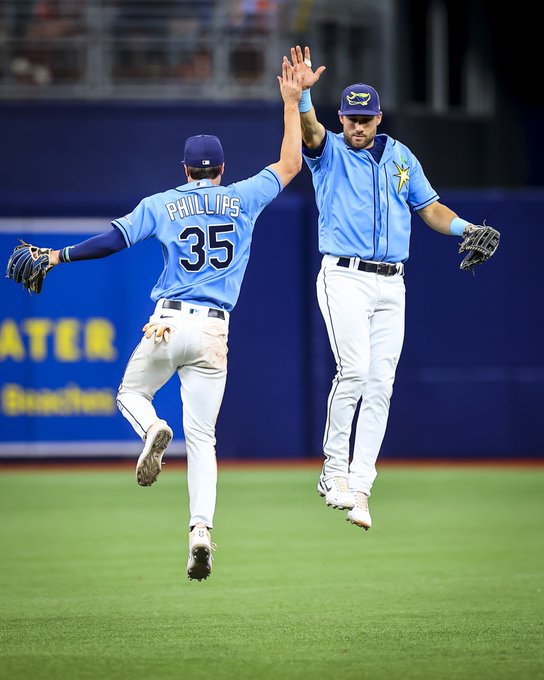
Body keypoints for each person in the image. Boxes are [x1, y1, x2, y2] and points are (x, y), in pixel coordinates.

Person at [31, 60, 302, 580]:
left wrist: (57, 257)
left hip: (167, 323)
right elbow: (290, 163)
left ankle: (154, 428)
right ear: (220, 170)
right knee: (204, 438)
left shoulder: (161, 203)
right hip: (214, 331)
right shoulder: (243, 197)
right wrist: (291, 101)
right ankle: (200, 531)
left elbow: (112, 240)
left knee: (131, 395)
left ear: (185, 170)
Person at [286, 45, 490, 531]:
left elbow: (430, 208)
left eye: (365, 118)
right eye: (350, 118)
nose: (357, 126)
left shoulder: (401, 156)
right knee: (354, 371)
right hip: (344, 276)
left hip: (391, 284)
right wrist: (303, 101)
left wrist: (465, 229)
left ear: (378, 117)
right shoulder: (329, 152)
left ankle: (360, 487)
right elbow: (312, 134)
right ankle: (332, 472)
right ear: (342, 117)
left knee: (380, 386)